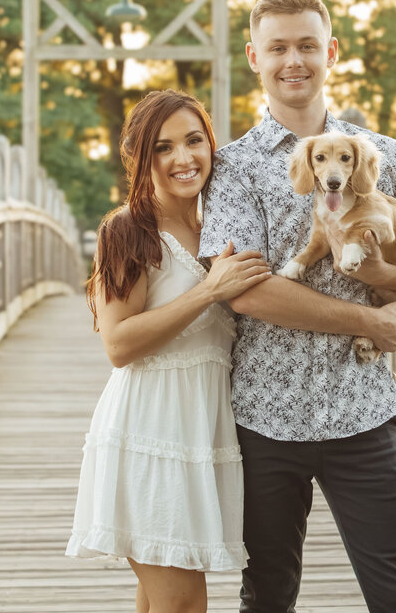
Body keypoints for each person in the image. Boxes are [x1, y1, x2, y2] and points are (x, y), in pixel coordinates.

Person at [198, 0, 396, 612]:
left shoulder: (383, 155)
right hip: (267, 417)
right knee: (267, 598)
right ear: (254, 57)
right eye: (277, 48)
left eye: (305, 45)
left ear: (330, 51)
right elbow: (246, 293)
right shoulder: (233, 168)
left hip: (364, 410)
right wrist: (371, 317)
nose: (292, 60)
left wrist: (382, 269)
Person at [67, 89, 271, 613]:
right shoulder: (129, 230)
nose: (184, 159)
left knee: (162, 603)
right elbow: (117, 343)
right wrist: (207, 291)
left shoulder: (219, 227)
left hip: (200, 434)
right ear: (141, 159)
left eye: (194, 141)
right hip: (150, 433)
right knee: (182, 604)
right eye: (164, 147)